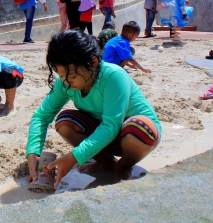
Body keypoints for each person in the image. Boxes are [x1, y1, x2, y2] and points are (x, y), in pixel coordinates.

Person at [25, 30, 161, 186]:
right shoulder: (65, 83)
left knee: (139, 128)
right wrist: (33, 152)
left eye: (72, 76)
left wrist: (74, 157)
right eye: (61, 76)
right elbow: (42, 116)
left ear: (93, 63)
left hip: (136, 136)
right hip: (103, 137)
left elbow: (111, 126)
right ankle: (106, 162)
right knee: (65, 121)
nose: (66, 82)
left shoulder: (113, 76)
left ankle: (124, 166)